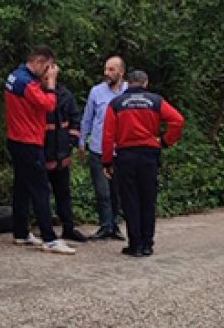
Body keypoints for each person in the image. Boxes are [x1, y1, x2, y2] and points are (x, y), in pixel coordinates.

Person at [101, 70, 185, 257]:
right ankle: (147, 244)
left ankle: (135, 244)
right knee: (148, 199)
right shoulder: (155, 101)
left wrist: (107, 161)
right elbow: (178, 120)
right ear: (146, 83)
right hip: (149, 155)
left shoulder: (116, 104)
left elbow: (107, 135)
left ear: (128, 83)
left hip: (126, 156)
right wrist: (165, 141)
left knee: (130, 201)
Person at [5, 46, 77, 255]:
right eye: (47, 67)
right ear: (38, 62)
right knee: (40, 189)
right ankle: (49, 238)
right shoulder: (28, 84)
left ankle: (20, 232)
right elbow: (49, 105)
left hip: (16, 139)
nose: (48, 72)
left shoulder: (14, 76)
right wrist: (52, 84)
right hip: (29, 141)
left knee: (22, 187)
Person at [79, 56, 128, 241]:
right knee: (102, 191)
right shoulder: (96, 92)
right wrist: (82, 141)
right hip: (98, 148)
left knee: (117, 191)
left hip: (121, 150)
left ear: (121, 72)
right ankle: (105, 225)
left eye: (111, 69)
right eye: (106, 69)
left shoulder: (129, 92)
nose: (106, 73)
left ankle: (114, 225)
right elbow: (88, 118)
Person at [44, 75, 88, 243]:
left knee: (64, 194)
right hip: (43, 152)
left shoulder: (65, 95)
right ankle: (46, 230)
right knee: (43, 194)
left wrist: (71, 143)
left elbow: (75, 121)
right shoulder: (37, 94)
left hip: (62, 153)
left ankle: (68, 228)